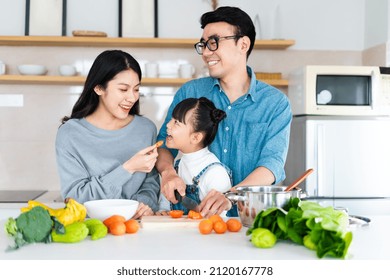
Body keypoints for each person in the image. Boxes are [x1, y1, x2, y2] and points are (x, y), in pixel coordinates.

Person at [155, 6, 292, 218]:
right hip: (194, 223)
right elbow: (164, 143)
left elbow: (271, 166)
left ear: (243, 44)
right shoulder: (190, 92)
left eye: (214, 42)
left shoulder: (275, 103)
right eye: (204, 44)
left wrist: (230, 195)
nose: (207, 52)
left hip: (251, 219)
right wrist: (168, 173)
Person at [55, 50, 160, 219]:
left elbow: (150, 183)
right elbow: (74, 199)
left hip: (135, 227)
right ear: (98, 88)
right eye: (123, 89)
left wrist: (144, 204)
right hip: (90, 231)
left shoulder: (146, 129)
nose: (132, 98)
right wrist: (128, 168)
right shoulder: (70, 134)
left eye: (136, 89)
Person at [156, 97, 232, 215]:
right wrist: (163, 213)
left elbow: (217, 223)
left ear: (195, 137)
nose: (168, 125)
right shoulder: (176, 167)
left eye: (176, 122)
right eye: (171, 119)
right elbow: (164, 206)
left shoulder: (215, 173)